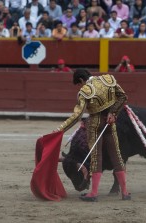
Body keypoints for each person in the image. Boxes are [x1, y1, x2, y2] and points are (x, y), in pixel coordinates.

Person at [56, 69, 130, 202]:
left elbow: (77, 115)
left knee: (96, 158)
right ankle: (125, 193)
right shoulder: (108, 80)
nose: (80, 87)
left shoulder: (85, 91)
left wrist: (60, 129)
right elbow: (123, 97)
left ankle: (93, 194)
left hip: (95, 124)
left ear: (81, 80)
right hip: (110, 123)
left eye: (79, 84)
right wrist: (113, 113)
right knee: (116, 156)